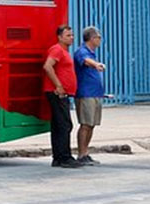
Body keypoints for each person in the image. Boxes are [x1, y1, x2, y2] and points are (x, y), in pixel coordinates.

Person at [42, 25, 82, 169]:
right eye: (68, 35)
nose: (71, 38)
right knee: (65, 124)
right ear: (59, 37)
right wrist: (58, 85)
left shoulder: (64, 51)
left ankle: (58, 157)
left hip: (61, 92)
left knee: (59, 125)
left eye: (72, 35)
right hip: (57, 92)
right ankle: (65, 157)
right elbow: (48, 66)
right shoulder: (57, 49)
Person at [73, 27, 107, 165]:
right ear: (92, 38)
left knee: (92, 124)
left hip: (95, 93)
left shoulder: (92, 53)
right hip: (86, 94)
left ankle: (86, 153)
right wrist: (96, 65)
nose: (100, 40)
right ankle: (81, 154)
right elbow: (86, 61)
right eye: (99, 37)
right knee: (85, 124)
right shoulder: (82, 52)